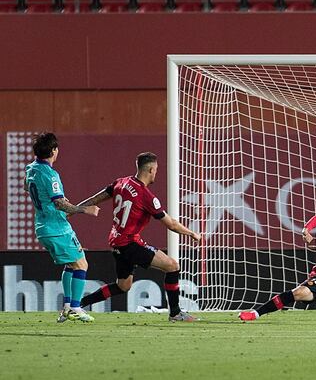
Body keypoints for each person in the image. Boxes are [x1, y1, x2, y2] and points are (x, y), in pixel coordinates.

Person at [76, 152, 202, 322]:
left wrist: (75, 209)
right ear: (150, 169)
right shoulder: (145, 195)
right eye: (156, 169)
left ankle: (78, 304)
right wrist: (192, 233)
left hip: (116, 241)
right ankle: (175, 313)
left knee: (123, 285)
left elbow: (97, 198)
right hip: (129, 242)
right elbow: (171, 224)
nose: (156, 173)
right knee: (172, 266)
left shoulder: (121, 183)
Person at [24, 133, 101, 323]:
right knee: (82, 264)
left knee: (71, 264)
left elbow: (28, 188)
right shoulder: (50, 174)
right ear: (53, 151)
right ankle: (75, 307)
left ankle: (67, 307)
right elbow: (59, 203)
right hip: (57, 227)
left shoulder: (30, 169)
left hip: (42, 227)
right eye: (56, 148)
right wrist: (84, 209)